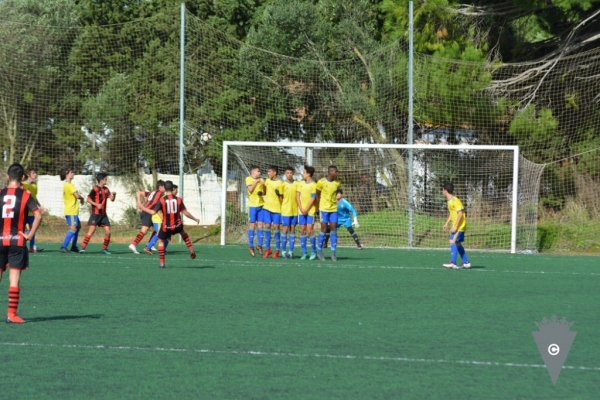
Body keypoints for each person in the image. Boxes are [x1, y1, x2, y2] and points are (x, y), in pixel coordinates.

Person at [0, 163, 42, 323]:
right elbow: (38, 215)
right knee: (14, 279)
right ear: (23, 178)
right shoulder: (25, 195)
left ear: (7, 176)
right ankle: (11, 315)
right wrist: (30, 235)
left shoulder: (0, 193)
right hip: (17, 241)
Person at [137, 180, 200, 268]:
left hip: (166, 226)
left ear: (165, 188)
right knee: (183, 234)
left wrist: (142, 207)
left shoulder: (162, 200)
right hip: (177, 224)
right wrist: (195, 219)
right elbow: (185, 213)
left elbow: (152, 212)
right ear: (172, 188)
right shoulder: (178, 199)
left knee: (161, 241)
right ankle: (191, 249)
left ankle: (162, 263)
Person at [79, 173, 116, 255]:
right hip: (95, 214)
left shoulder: (106, 189)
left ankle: (104, 249)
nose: (106, 180)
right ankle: (83, 248)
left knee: (108, 232)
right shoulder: (95, 189)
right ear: (101, 180)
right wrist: (96, 204)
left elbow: (112, 199)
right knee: (91, 231)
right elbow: (88, 199)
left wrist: (114, 195)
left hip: (103, 215)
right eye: (105, 179)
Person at [129, 180, 165, 254]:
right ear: (160, 187)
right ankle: (133, 244)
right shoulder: (161, 194)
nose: (165, 189)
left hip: (146, 212)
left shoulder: (151, 192)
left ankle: (150, 244)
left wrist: (139, 202)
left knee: (157, 229)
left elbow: (138, 192)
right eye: (164, 187)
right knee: (144, 230)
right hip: (147, 212)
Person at [442, 183, 471, 269]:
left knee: (452, 241)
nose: (442, 191)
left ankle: (453, 263)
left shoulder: (455, 200)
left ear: (445, 191)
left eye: (442, 189)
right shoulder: (449, 201)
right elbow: (452, 213)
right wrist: (447, 223)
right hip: (459, 226)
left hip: (459, 226)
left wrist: (455, 226)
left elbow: (460, 213)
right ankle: (466, 263)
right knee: (457, 243)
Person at [315, 165, 342, 261]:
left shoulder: (337, 183)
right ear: (330, 172)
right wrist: (317, 208)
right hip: (324, 209)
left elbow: (337, 193)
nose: (337, 173)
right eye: (336, 171)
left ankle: (333, 253)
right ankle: (319, 251)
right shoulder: (321, 182)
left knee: (334, 230)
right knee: (323, 229)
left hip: (333, 209)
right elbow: (317, 196)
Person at [59, 168, 85, 253]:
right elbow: (77, 195)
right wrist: (82, 198)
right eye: (71, 172)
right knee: (73, 228)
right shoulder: (70, 185)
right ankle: (64, 246)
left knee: (77, 227)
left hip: (72, 211)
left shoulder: (66, 185)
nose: (73, 173)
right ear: (67, 174)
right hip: (71, 211)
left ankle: (73, 246)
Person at [296, 165, 318, 260]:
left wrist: (306, 209)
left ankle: (314, 252)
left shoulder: (314, 185)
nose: (302, 174)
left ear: (308, 174)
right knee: (302, 230)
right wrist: (301, 208)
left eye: (304, 172)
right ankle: (304, 253)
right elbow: (297, 196)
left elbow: (313, 198)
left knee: (310, 230)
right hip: (301, 211)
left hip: (310, 211)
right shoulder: (301, 183)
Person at [262, 165, 282, 259]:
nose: (268, 173)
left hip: (277, 209)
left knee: (276, 227)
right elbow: (264, 192)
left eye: (269, 171)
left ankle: (277, 250)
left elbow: (282, 197)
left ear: (275, 173)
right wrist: (262, 187)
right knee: (267, 227)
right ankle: (268, 249)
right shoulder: (267, 181)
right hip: (267, 208)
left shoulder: (280, 183)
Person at [22, 168, 45, 253]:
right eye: (33, 173)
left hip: (32, 211)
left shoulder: (35, 185)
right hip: (24, 211)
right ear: (28, 175)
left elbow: (34, 198)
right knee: (21, 229)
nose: (35, 174)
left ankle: (31, 247)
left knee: (33, 229)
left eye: (35, 173)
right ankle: (21, 245)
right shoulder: (23, 184)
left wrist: (39, 206)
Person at [245, 166, 265, 257]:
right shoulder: (248, 179)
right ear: (253, 172)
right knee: (252, 225)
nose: (260, 173)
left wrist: (263, 187)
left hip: (261, 205)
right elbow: (250, 189)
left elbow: (264, 192)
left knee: (261, 225)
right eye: (258, 171)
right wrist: (256, 182)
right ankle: (251, 246)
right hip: (253, 206)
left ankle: (259, 245)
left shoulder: (262, 180)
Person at [280, 166, 298, 259]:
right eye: (287, 173)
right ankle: (283, 251)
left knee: (293, 229)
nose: (289, 174)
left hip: (294, 210)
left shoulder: (296, 184)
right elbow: (280, 198)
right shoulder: (282, 185)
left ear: (293, 173)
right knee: (285, 229)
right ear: (285, 174)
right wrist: (284, 206)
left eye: (291, 173)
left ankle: (291, 251)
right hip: (286, 210)